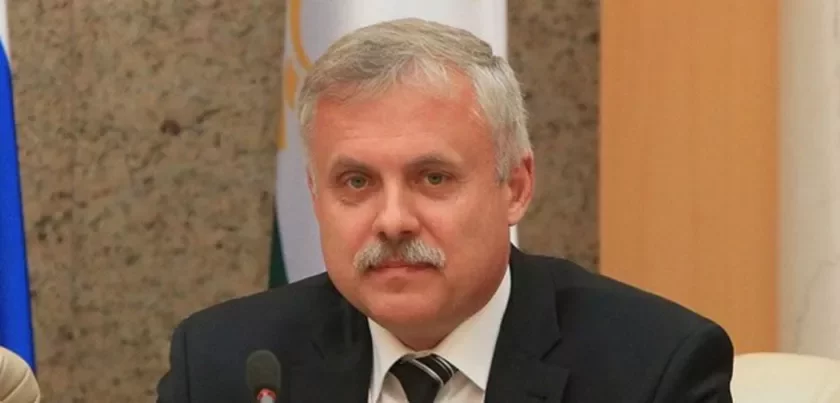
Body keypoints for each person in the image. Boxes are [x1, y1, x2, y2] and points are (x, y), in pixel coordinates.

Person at [156, 18, 734, 403]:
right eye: (356, 182)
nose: (392, 220)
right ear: (315, 195)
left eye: (433, 178)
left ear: (515, 187)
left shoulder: (652, 370)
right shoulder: (225, 365)